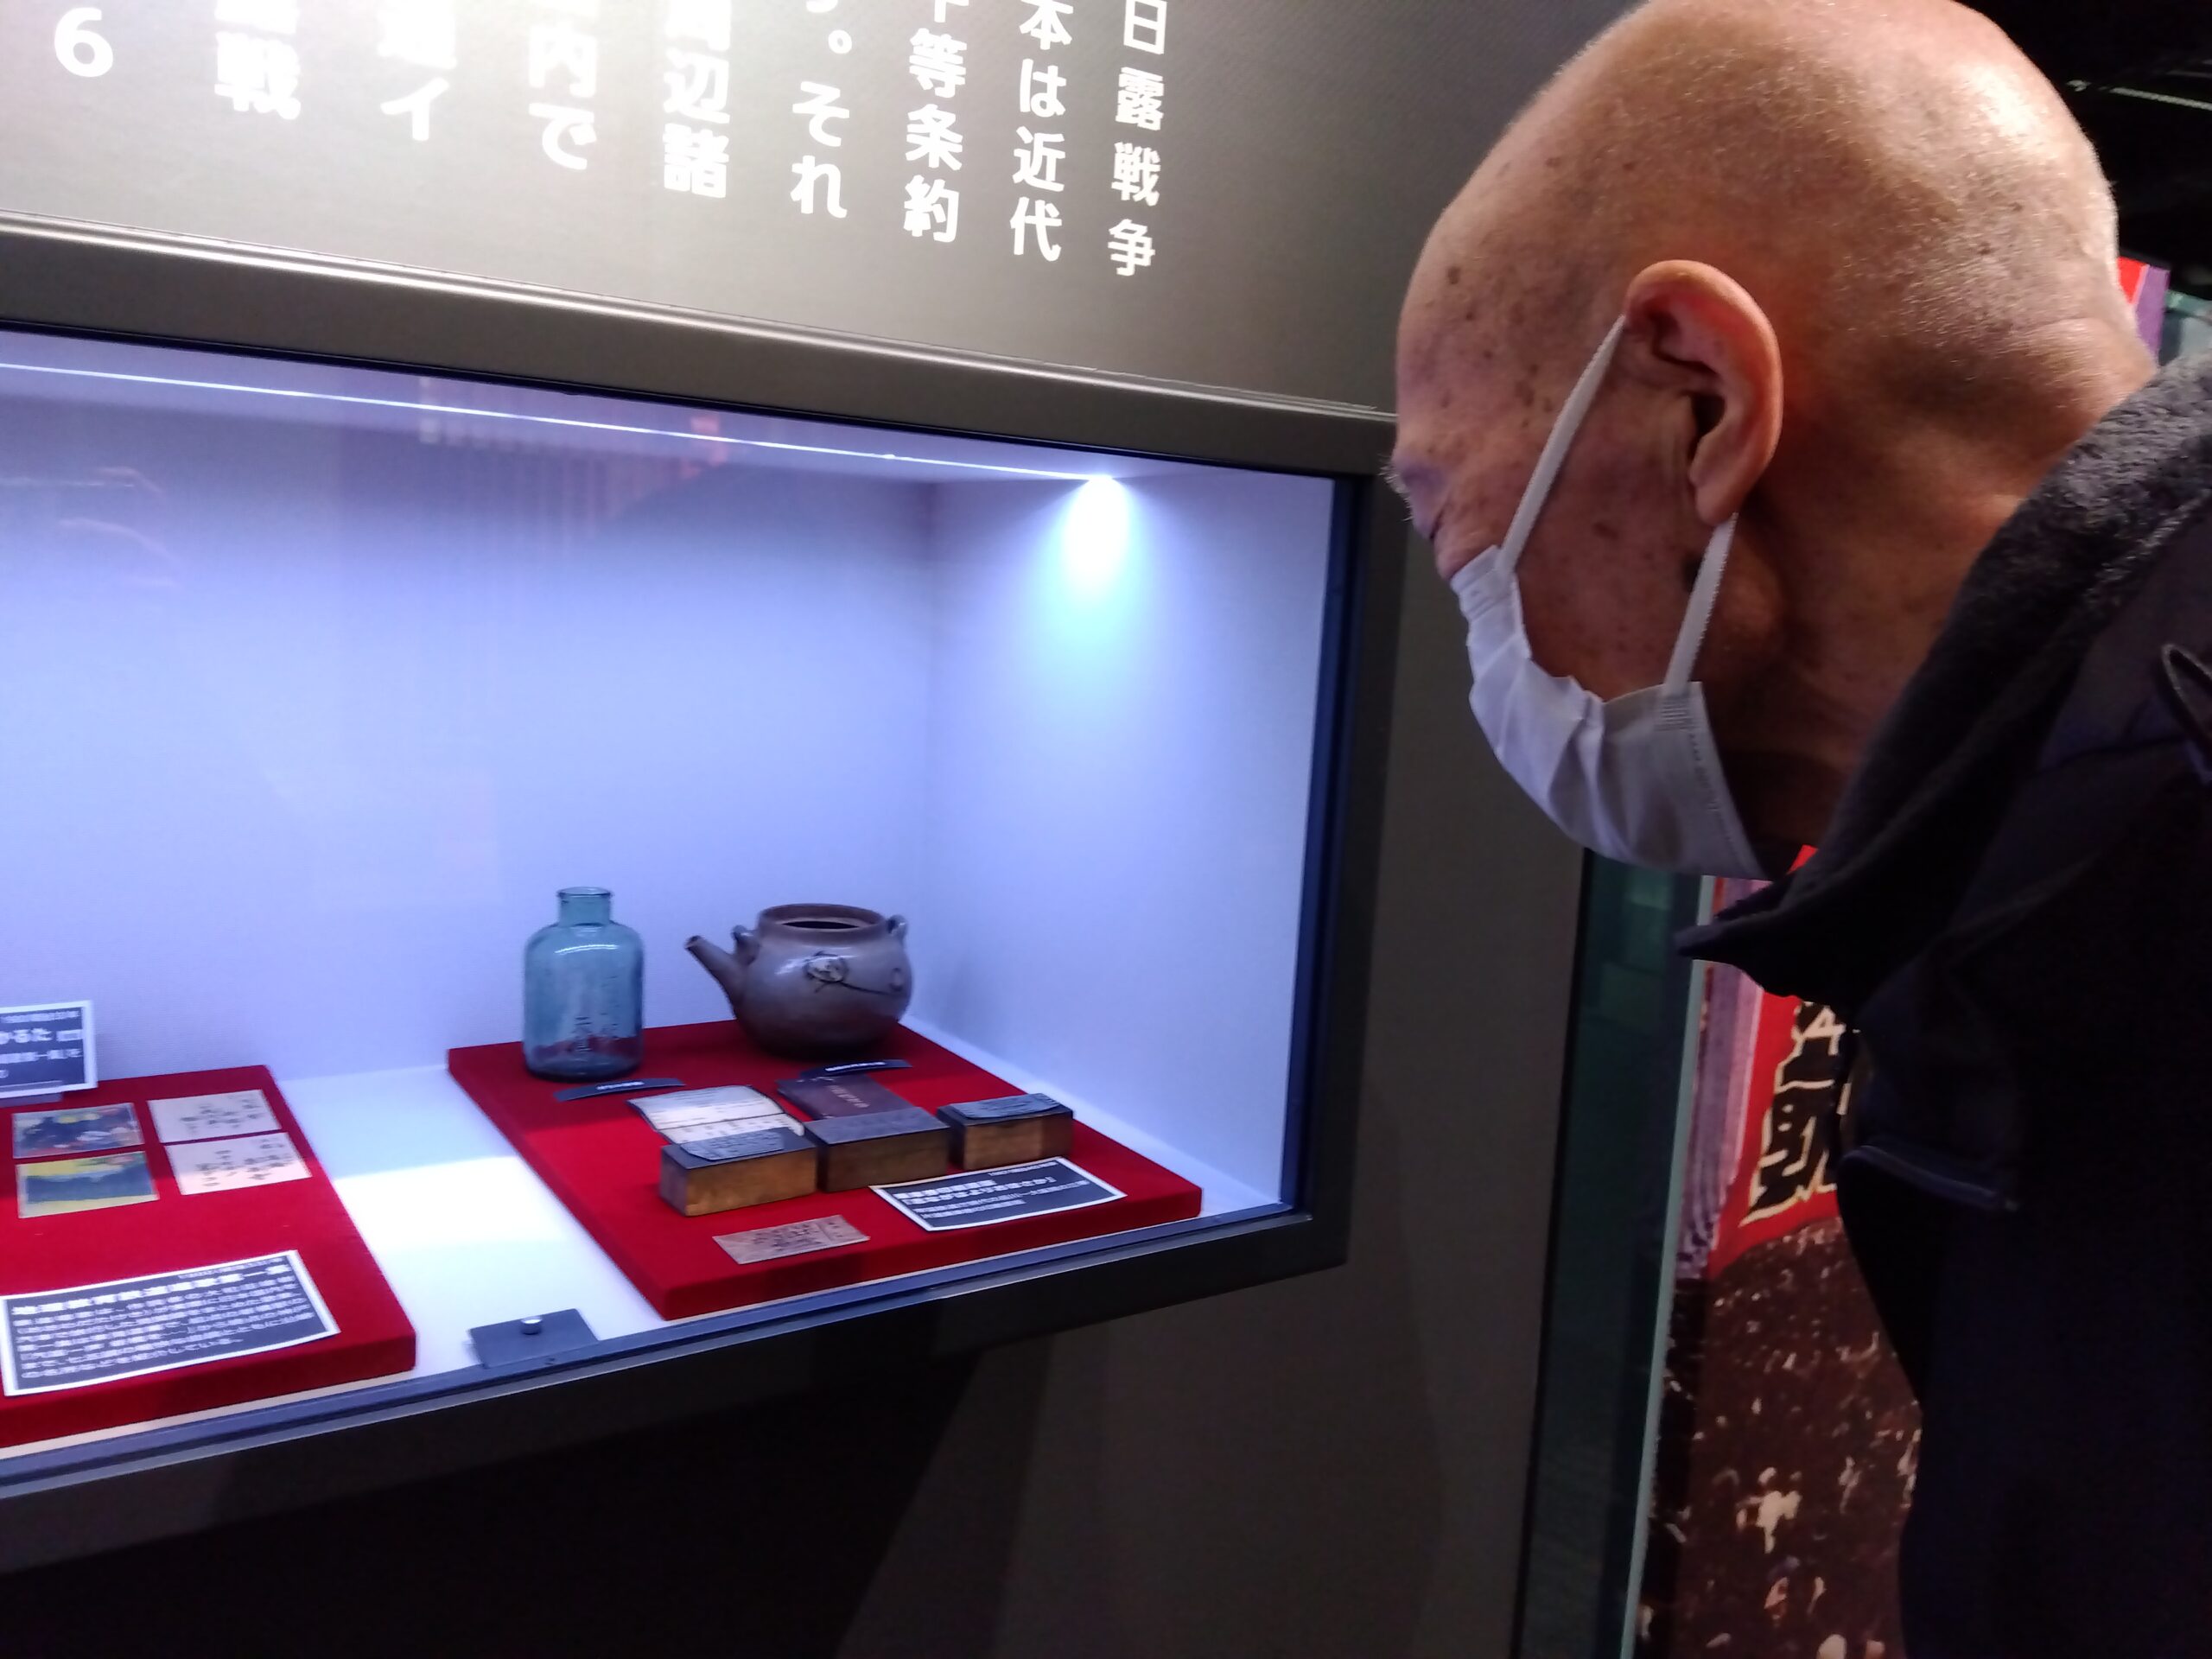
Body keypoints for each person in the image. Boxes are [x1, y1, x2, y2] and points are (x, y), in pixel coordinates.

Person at [1392, 0, 2212, 1651]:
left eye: (1442, 502)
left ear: (1698, 402)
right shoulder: (2057, 866)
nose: (1465, 585)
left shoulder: (2148, 900)